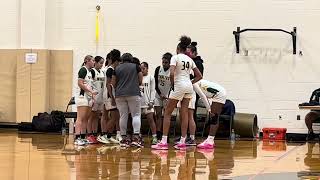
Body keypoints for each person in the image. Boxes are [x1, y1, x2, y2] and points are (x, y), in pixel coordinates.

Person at [152, 35, 202, 150]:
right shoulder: (190, 60)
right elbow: (199, 76)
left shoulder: (175, 57)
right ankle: (183, 141)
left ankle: (163, 141)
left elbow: (171, 73)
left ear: (178, 48)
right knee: (184, 114)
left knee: (168, 113)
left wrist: (173, 84)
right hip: (189, 87)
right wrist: (189, 82)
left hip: (179, 85)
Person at [112, 53, 143, 148]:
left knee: (123, 116)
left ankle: (124, 139)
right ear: (131, 59)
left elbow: (113, 83)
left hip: (120, 94)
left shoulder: (116, 68)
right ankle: (136, 138)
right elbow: (140, 80)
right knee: (136, 115)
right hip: (133, 93)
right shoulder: (136, 67)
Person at [193, 79, 227, 149]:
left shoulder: (194, 84)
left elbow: (203, 97)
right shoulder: (195, 83)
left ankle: (210, 141)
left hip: (219, 94)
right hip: (218, 93)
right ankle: (210, 140)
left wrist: (209, 109)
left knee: (214, 117)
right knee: (214, 117)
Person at [98, 49, 122, 144]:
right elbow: (108, 85)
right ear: (116, 61)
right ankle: (102, 135)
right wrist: (112, 98)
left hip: (111, 95)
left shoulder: (113, 70)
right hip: (109, 96)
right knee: (114, 117)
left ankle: (108, 136)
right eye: (118, 62)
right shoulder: (110, 70)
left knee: (115, 117)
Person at [74, 55, 96, 146]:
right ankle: (77, 138)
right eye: (93, 60)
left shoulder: (90, 72)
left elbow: (90, 85)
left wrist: (93, 94)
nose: (94, 62)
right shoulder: (83, 70)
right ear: (87, 61)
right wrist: (90, 91)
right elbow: (80, 83)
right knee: (80, 118)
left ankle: (83, 137)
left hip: (89, 97)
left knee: (86, 119)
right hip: (82, 97)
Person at [154, 52, 172, 140]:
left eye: (166, 62)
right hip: (158, 95)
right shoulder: (158, 69)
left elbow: (174, 85)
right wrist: (160, 94)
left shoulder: (172, 71)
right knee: (158, 115)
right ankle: (158, 134)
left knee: (166, 115)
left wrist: (168, 95)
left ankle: (166, 135)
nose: (164, 64)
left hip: (167, 97)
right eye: (163, 62)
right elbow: (155, 84)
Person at [87, 56, 105, 144]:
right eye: (100, 63)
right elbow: (90, 85)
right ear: (96, 63)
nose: (102, 65)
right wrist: (92, 96)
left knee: (97, 117)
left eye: (103, 63)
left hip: (101, 98)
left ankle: (94, 134)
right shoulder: (92, 72)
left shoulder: (102, 72)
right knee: (91, 117)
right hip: (94, 97)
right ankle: (89, 135)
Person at [140, 62, 157, 145]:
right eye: (141, 68)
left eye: (143, 68)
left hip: (148, 103)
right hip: (139, 103)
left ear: (147, 68)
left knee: (151, 120)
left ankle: (154, 137)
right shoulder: (138, 77)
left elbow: (153, 90)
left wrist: (151, 101)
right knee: (138, 121)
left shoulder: (150, 77)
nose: (142, 70)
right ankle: (139, 137)